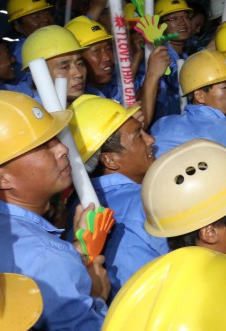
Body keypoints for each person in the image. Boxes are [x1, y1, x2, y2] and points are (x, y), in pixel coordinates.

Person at [0, 91, 109, 329]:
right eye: (43, 146)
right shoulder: (48, 259)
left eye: (56, 138)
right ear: (0, 177)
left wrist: (75, 251)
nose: (62, 150)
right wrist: (97, 295)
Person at [67, 94, 162, 296]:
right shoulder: (149, 201)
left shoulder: (76, 208)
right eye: (139, 135)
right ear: (110, 160)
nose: (151, 140)